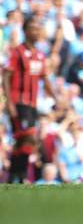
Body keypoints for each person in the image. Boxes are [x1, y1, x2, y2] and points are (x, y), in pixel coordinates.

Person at [3, 17, 55, 184]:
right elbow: (6, 76)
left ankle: (12, 177)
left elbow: (45, 79)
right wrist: (9, 103)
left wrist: (56, 97)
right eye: (33, 28)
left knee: (22, 141)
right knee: (29, 137)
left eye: (38, 28)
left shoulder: (39, 55)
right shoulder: (17, 52)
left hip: (32, 104)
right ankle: (23, 175)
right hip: (18, 102)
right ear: (26, 31)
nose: (36, 31)